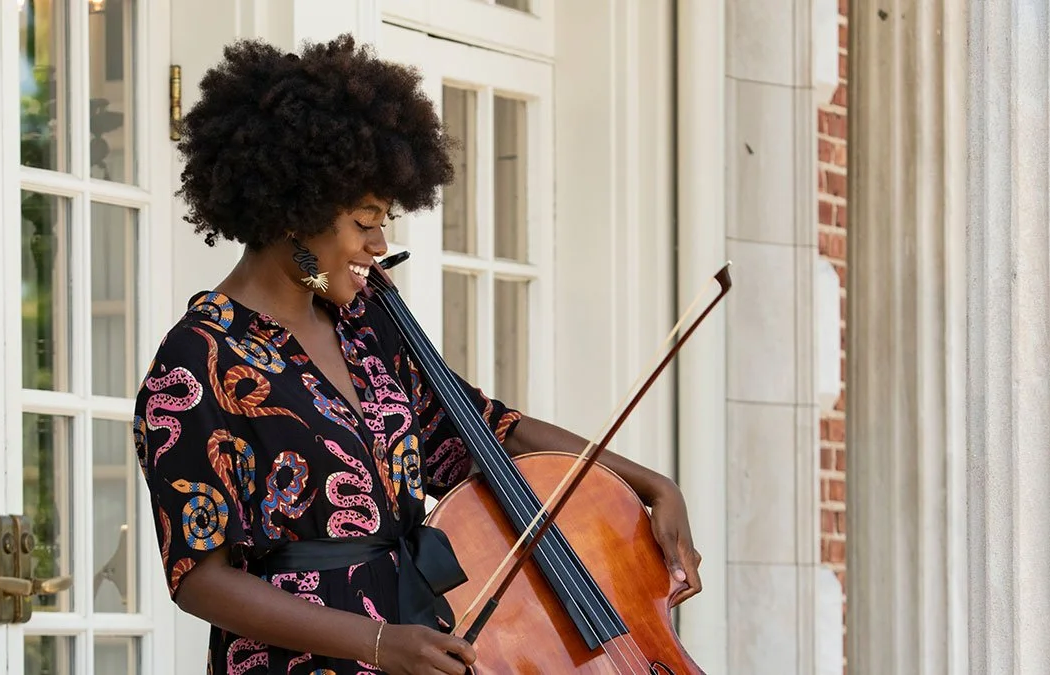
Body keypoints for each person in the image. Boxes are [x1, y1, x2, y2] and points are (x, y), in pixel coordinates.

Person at [133, 34, 702, 675]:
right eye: (364, 221)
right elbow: (199, 579)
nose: (379, 243)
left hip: (422, 639)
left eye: (385, 221)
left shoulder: (366, 326)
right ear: (295, 211)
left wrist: (652, 486)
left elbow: (487, 431)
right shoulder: (196, 360)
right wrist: (376, 643)